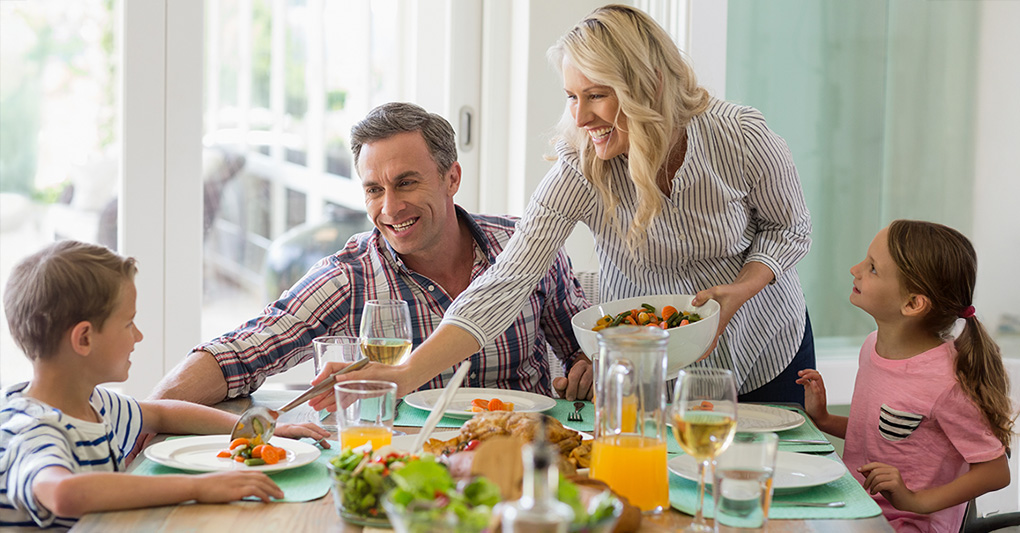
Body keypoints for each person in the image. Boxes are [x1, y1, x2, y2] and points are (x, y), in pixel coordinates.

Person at [312, 4, 813, 407]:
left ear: (650, 85)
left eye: (596, 95)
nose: (581, 116)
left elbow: (789, 228)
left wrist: (743, 289)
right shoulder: (582, 165)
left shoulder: (739, 135)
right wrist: (404, 374)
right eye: (572, 96)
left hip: (763, 345)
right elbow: (506, 281)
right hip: (648, 365)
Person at [151, 102, 594, 405]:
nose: (390, 208)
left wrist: (584, 367)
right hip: (406, 472)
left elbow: (584, 347)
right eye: (373, 190)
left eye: (406, 183)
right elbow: (241, 351)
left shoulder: (526, 248)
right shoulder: (351, 277)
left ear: (451, 177)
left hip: (527, 458)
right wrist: (146, 414)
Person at [0, 240, 328, 530]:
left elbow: (162, 413)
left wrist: (261, 431)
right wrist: (199, 487)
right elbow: (63, 493)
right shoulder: (32, 431)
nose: (138, 336)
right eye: (129, 323)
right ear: (84, 338)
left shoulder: (93, 402)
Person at [796, 220, 1011, 532]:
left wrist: (915, 501)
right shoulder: (872, 348)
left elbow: (995, 470)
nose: (855, 269)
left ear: (912, 303)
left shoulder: (946, 383)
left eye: (872, 268)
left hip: (911, 522)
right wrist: (825, 419)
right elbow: (885, 437)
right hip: (857, 507)